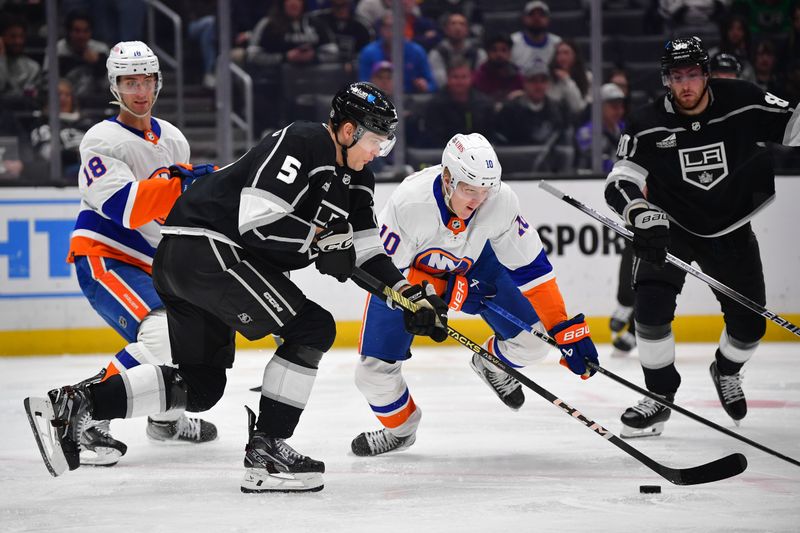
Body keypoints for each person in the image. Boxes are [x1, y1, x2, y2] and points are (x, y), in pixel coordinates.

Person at [25, 81, 450, 492]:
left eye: (385, 141)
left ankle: (78, 404)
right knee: (313, 328)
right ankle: (267, 452)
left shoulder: (357, 180)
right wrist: (319, 241)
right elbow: (257, 220)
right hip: (207, 248)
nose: (380, 150)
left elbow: (365, 251)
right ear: (346, 130)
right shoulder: (303, 141)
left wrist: (409, 296)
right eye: (375, 138)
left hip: (189, 258)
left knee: (201, 386)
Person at [350, 132, 600, 456]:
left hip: (480, 267)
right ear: (448, 178)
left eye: (486, 189)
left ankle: (492, 365)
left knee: (535, 341)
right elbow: (382, 270)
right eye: (469, 188)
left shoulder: (501, 201)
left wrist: (562, 327)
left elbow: (533, 270)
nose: (477, 200)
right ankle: (401, 430)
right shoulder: (410, 203)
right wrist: (441, 292)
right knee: (372, 374)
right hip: (409, 282)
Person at [604, 36, 800, 438]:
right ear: (666, 80)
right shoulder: (645, 123)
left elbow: (794, 127)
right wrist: (641, 213)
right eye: (677, 77)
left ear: (707, 74)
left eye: (693, 74)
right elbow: (619, 182)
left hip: (730, 229)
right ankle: (659, 398)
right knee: (650, 311)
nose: (686, 85)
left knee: (750, 328)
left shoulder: (743, 99)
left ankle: (726, 371)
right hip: (669, 229)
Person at [57, 41, 219, 468]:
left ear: (157, 82)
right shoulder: (101, 139)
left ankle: (165, 419)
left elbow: (174, 214)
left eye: (146, 79)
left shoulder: (174, 139)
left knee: (192, 335)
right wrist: (182, 186)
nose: (139, 90)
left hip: (153, 262)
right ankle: (86, 414)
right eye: (129, 81)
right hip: (105, 256)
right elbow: (124, 208)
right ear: (115, 85)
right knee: (163, 335)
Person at [427, 12, 486, 89]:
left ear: (467, 30)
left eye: (462, 24)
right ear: (446, 30)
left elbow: (481, 79)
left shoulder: (479, 53)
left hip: (474, 95)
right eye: (453, 24)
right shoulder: (436, 54)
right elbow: (440, 82)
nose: (457, 28)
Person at [510, 1, 561, 75]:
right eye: (531, 14)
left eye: (541, 15)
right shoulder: (512, 41)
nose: (536, 18)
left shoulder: (557, 43)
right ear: (524, 18)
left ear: (548, 19)